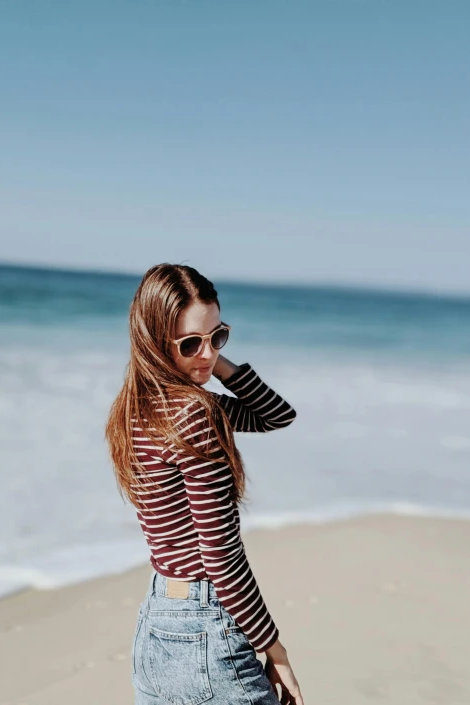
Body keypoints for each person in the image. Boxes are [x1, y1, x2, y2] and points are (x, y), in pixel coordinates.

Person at [105, 263, 304, 705]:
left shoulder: (136, 409)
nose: (207, 353)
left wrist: (211, 363)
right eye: (190, 342)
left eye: (218, 336)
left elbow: (276, 415)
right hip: (205, 627)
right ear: (155, 343)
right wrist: (276, 649)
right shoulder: (193, 415)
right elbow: (221, 557)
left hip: (157, 622)